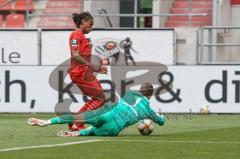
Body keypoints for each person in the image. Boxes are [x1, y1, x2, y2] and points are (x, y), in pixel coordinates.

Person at [27, 83, 165, 137]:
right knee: (93, 131)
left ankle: (47, 122)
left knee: (77, 117)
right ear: (150, 95)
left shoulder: (129, 94)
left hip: (106, 114)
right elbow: (161, 121)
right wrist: (159, 117)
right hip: (114, 128)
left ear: (139, 91)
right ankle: (77, 134)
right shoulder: (149, 112)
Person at [67, 11, 108, 131]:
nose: (91, 27)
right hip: (80, 73)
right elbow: (75, 54)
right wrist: (92, 66)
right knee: (100, 99)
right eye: (90, 24)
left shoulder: (81, 36)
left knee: (100, 98)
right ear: (83, 22)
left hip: (84, 72)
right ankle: (77, 123)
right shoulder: (76, 35)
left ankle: (75, 121)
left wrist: (96, 67)